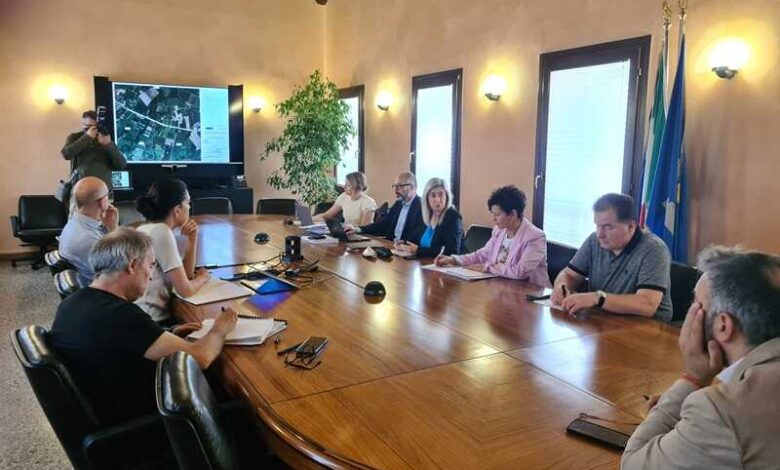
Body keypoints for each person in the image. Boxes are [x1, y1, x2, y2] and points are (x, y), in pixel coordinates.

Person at [49, 227, 237, 426]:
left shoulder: (71, 303)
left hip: (110, 406)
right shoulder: (120, 315)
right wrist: (220, 328)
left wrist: (168, 333)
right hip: (150, 423)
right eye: (151, 265)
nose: (151, 276)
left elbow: (118, 344)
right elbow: (200, 358)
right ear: (132, 265)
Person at [621, 246, 780, 469]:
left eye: (696, 304)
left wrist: (693, 378)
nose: (692, 313)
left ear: (723, 325)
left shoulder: (722, 410)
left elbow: (634, 463)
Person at [551, 193, 672, 321]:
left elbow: (647, 304)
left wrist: (598, 298)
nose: (600, 234)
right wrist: (561, 287)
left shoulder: (654, 249)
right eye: (598, 226)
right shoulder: (594, 241)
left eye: (607, 227)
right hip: (602, 320)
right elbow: (569, 274)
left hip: (646, 327)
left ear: (631, 226)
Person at [435, 185, 550, 286]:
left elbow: (521, 271)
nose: (493, 219)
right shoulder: (499, 230)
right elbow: (483, 254)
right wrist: (454, 260)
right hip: (502, 287)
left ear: (513, 214)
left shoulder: (535, 237)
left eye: (497, 215)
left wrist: (488, 268)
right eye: (492, 214)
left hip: (530, 293)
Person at [135, 178, 210, 323]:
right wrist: (203, 277)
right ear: (177, 210)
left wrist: (192, 240)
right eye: (188, 202)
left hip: (142, 316)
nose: (189, 207)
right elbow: (186, 291)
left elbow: (185, 276)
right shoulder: (162, 232)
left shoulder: (145, 228)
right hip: (153, 320)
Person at [61, 110, 127, 214]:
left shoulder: (105, 139)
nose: (90, 130)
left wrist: (108, 144)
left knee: (104, 223)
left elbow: (121, 165)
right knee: (78, 221)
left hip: (103, 193)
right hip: (81, 192)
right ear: (82, 124)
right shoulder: (75, 137)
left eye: (94, 127)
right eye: (87, 127)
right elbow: (66, 154)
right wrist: (87, 137)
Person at [58, 177, 118, 286]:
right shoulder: (89, 240)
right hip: (104, 288)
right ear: (102, 202)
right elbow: (118, 269)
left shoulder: (73, 224)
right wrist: (115, 231)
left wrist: (111, 228)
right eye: (107, 195)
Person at [347, 171, 424, 242]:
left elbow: (418, 234)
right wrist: (358, 229)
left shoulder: (422, 207)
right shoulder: (398, 204)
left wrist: (404, 244)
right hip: (390, 245)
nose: (395, 190)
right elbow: (383, 223)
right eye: (394, 186)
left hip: (407, 249)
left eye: (399, 186)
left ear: (412, 187)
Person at [396, 177, 462, 258]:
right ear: (427, 198)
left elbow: (450, 252)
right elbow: (415, 238)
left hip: (442, 264)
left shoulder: (453, 217)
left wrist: (418, 251)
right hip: (423, 262)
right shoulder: (426, 215)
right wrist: (404, 243)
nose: (437, 199)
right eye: (433, 195)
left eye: (441, 195)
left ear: (447, 196)